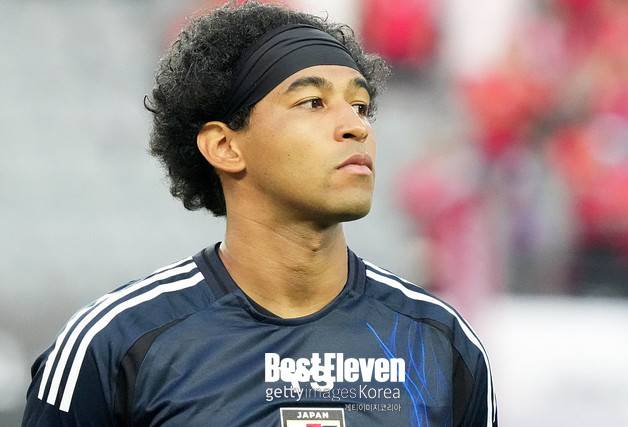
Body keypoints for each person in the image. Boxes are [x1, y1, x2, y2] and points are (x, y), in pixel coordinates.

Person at [22, 2, 497, 426]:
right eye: (313, 102)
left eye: (360, 106)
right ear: (225, 146)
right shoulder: (117, 345)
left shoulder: (441, 342)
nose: (356, 127)